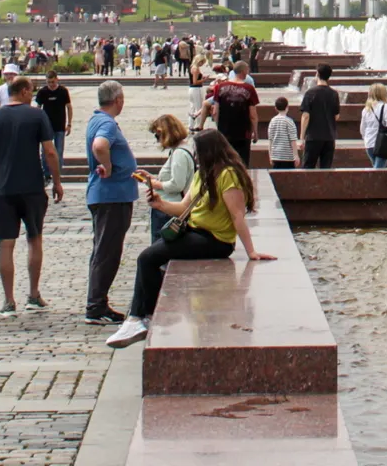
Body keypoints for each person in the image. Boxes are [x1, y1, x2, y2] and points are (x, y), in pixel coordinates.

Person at [107, 129, 276, 349]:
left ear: (209, 151)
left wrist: (251, 251)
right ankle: (141, 316)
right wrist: (160, 204)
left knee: (147, 258)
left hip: (216, 241)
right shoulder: (202, 175)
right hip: (195, 232)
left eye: (198, 152)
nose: (195, 156)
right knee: (148, 258)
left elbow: (237, 215)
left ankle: (140, 318)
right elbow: (184, 208)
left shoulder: (228, 175)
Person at [0, 76, 63, 315]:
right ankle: (33, 294)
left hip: (3, 188)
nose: (32, 95)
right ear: (23, 91)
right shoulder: (37, 116)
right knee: (35, 238)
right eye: (31, 91)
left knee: (6, 244)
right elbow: (50, 151)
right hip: (32, 187)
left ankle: (9, 301)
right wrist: (56, 181)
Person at [83, 80, 136, 325]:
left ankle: (99, 302)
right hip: (112, 196)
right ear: (117, 100)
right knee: (107, 252)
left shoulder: (97, 119)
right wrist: (108, 165)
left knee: (104, 250)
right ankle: (95, 306)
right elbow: (100, 145)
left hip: (107, 195)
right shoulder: (106, 124)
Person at [145, 115, 196, 240]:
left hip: (170, 208)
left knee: (160, 245)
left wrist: (156, 184)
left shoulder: (179, 154)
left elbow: (177, 184)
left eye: (157, 136)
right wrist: (151, 179)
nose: (158, 141)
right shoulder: (179, 150)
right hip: (170, 206)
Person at [207, 62, 260, 168]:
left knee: (226, 161)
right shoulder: (249, 89)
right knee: (242, 162)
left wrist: (219, 128)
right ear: (243, 71)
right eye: (247, 70)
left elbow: (215, 111)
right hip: (243, 133)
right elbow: (253, 115)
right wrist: (255, 132)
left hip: (225, 132)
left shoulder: (219, 87)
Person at [298, 64, 341, 170]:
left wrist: (301, 137)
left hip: (313, 137)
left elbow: (305, 116)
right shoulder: (334, 94)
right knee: (326, 169)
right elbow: (336, 116)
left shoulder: (310, 93)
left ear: (317, 74)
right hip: (329, 137)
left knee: (308, 168)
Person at [34, 72, 72, 182]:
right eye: (49, 82)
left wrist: (69, 124)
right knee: (45, 152)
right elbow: (38, 108)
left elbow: (69, 107)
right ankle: (46, 174)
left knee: (59, 151)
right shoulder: (43, 92)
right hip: (46, 126)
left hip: (60, 126)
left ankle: (57, 175)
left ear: (57, 79)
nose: (51, 84)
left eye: (53, 82)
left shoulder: (63, 91)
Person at [361, 83, 387, 169]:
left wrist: (365, 137)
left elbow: (362, 128)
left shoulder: (366, 109)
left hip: (369, 143)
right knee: (378, 170)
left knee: (378, 167)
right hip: (382, 143)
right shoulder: (385, 107)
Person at [267, 98, 299, 169]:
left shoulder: (272, 121)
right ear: (287, 107)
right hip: (288, 158)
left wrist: (270, 155)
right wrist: (296, 155)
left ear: (275, 108)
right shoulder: (289, 121)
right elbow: (293, 140)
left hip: (275, 156)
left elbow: (270, 140)